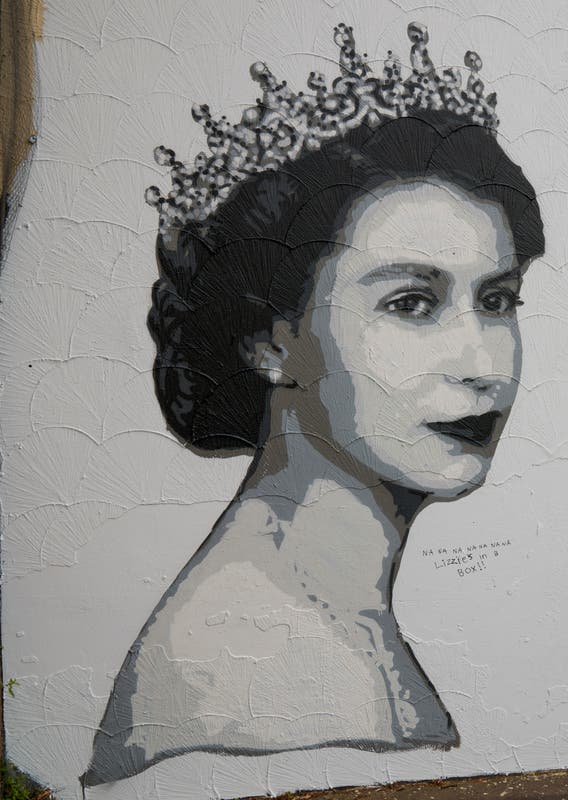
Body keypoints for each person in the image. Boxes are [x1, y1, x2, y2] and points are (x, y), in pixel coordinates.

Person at [82, 22, 544, 789]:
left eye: (496, 299)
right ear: (272, 341)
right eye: (411, 302)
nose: (484, 364)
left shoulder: (324, 613)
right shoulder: (259, 677)